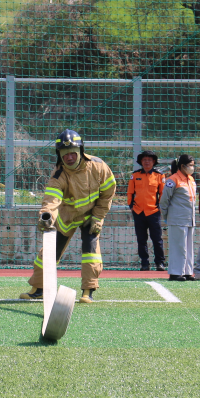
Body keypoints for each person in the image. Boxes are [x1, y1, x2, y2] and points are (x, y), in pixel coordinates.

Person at [19, 129, 116, 303]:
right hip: (66, 217)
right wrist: (46, 216)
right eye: (65, 154)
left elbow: (108, 193)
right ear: (59, 155)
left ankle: (88, 291)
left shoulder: (99, 166)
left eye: (72, 153)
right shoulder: (58, 174)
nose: (69, 157)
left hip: (91, 217)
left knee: (91, 252)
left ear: (80, 151)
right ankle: (39, 289)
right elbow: (51, 200)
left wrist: (98, 216)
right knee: (49, 253)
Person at [159, 154, 197, 281]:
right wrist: (166, 215)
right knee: (178, 246)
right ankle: (175, 272)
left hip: (190, 219)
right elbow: (164, 200)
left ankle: (187, 272)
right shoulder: (173, 180)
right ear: (182, 166)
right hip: (177, 219)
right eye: (190, 165)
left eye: (193, 165)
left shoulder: (190, 179)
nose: (192, 167)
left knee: (188, 247)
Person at [127, 150, 166, 271]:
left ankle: (160, 262)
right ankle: (144, 263)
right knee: (141, 239)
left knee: (157, 239)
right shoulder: (135, 175)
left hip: (153, 212)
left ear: (153, 161)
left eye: (149, 159)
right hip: (138, 212)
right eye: (144, 160)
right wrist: (131, 206)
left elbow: (163, 193)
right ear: (141, 161)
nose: (147, 162)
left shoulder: (159, 176)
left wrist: (160, 207)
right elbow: (130, 192)